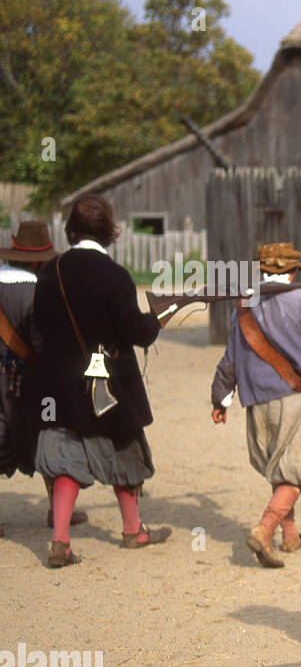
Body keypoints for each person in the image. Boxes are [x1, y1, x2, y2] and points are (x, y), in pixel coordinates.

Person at [33, 196, 169, 568]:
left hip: (60, 383)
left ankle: (60, 540)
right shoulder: (116, 276)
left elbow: (40, 326)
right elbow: (136, 332)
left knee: (65, 457)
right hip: (109, 381)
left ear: (70, 230)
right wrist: (157, 320)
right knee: (125, 449)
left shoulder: (50, 271)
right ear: (110, 231)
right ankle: (133, 530)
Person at [210, 242, 301, 568]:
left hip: (256, 402)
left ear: (261, 271)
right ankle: (265, 530)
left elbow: (229, 361)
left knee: (281, 467)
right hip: (293, 399)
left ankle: (290, 536)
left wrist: (220, 399)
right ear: (293, 271)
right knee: (298, 470)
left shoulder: (245, 307)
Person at [0, 221, 87, 532]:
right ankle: (56, 510)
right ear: (38, 261)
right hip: (26, 380)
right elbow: (43, 346)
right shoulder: (37, 292)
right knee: (49, 436)